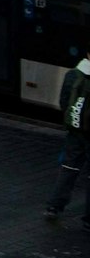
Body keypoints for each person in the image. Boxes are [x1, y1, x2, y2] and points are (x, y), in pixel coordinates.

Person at [46, 56, 90, 226]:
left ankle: (54, 206)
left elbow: (64, 102)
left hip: (75, 131)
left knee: (69, 168)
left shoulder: (73, 74)